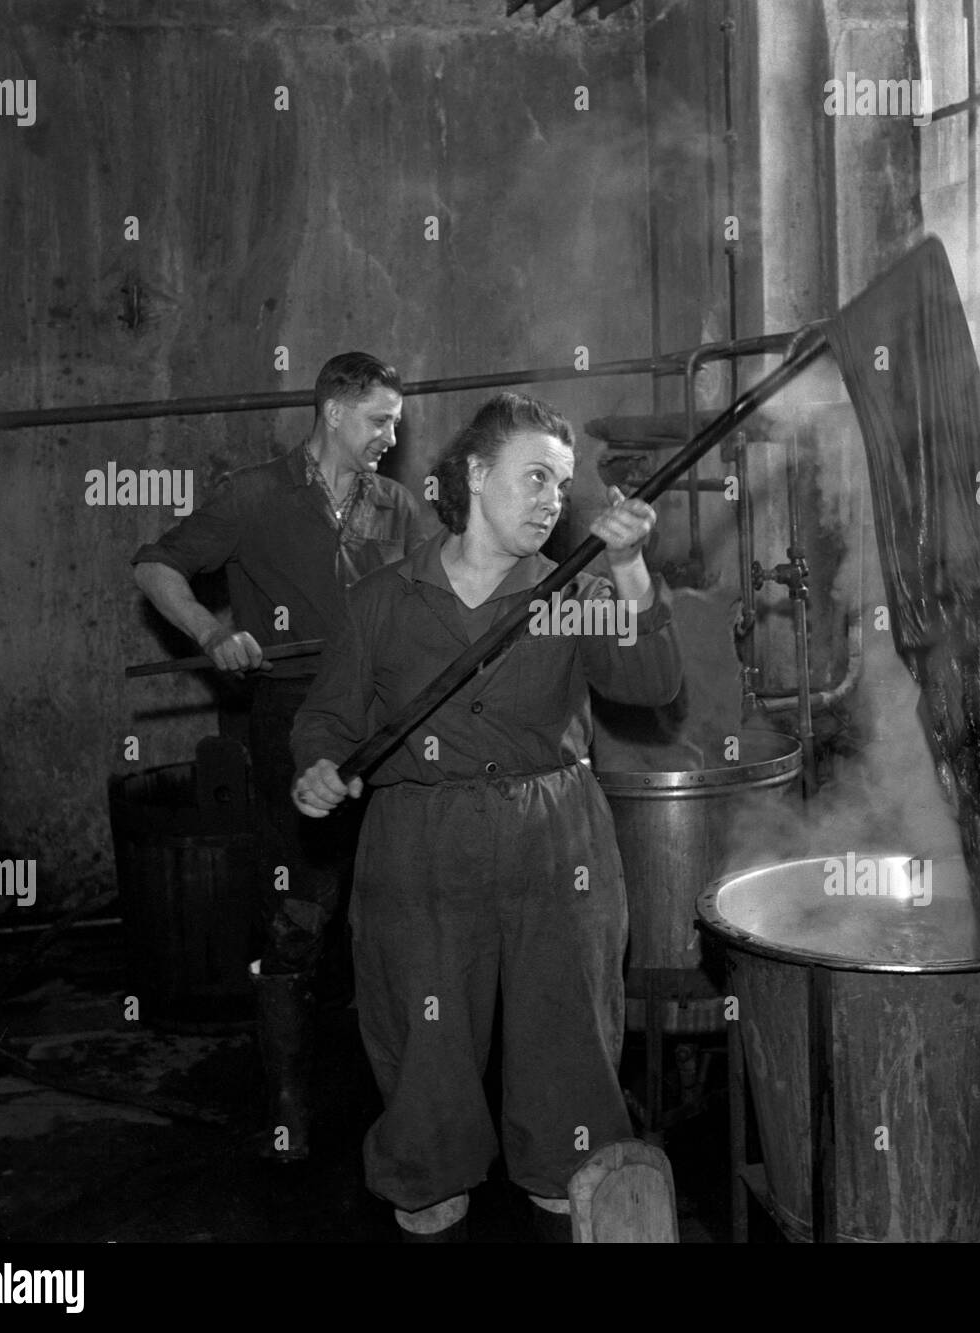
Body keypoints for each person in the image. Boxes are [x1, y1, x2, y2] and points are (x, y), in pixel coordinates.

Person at [290, 392, 682, 1242]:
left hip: (556, 835)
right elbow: (329, 716)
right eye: (534, 476)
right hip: (420, 839)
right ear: (475, 474)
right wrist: (317, 766)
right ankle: (428, 1165)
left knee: (565, 1018)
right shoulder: (388, 598)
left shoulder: (573, 592)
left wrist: (629, 567)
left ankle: (566, 1160)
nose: (553, 499)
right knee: (424, 1024)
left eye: (563, 483)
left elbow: (652, 687)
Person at [131, 351, 423, 1162]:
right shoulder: (252, 495)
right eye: (379, 419)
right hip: (292, 723)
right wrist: (214, 632)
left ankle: (402, 1100)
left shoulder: (398, 506)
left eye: (395, 421)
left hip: (385, 732)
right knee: (297, 917)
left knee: (396, 916)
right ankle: (289, 1103)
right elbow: (154, 565)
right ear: (333, 412)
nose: (391, 437)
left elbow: (435, 594)